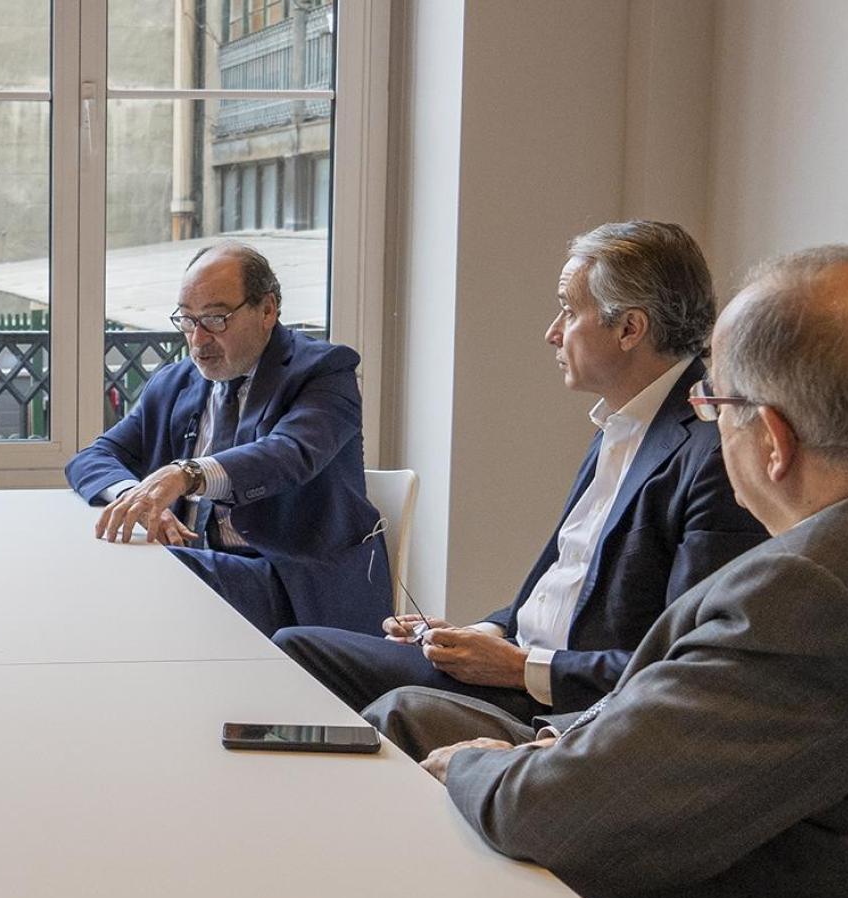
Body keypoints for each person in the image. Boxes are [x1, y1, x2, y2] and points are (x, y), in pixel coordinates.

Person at [421, 245, 848, 898]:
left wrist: (475, 762)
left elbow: (556, 813)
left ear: (773, 441)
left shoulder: (813, 590)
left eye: (715, 404)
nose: (709, 427)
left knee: (447, 827)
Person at [275, 221, 765, 739]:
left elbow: (682, 666)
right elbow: (561, 587)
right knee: (292, 646)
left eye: (570, 311)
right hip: (518, 665)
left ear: (630, 329)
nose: (553, 331)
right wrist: (478, 634)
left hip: (563, 702)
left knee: (303, 661)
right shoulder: (620, 425)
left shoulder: (712, 451)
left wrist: (514, 667)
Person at [65, 241, 388, 635]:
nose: (198, 340)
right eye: (187, 320)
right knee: (104, 559)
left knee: (145, 574)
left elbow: (290, 453)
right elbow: (94, 457)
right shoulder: (176, 381)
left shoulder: (323, 371)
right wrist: (138, 497)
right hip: (203, 562)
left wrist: (186, 474)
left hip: (289, 577)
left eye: (215, 319)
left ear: (267, 310)